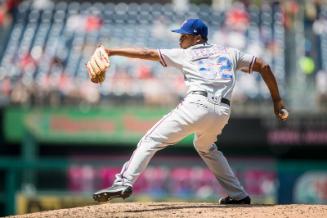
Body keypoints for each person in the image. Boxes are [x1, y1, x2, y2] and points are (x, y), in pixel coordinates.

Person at [92, 18, 289, 204]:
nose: (180, 39)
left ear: (197, 38)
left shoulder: (185, 53)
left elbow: (147, 53)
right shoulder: (230, 52)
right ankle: (238, 195)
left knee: (150, 140)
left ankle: (123, 182)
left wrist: (111, 50)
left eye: (184, 36)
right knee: (206, 147)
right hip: (222, 111)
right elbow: (264, 65)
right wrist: (277, 101)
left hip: (197, 105)